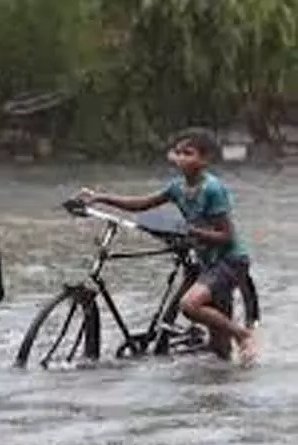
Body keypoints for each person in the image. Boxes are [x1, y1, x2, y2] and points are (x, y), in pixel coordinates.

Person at [77, 127, 256, 363]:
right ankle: (221, 389)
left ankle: (242, 334)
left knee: (190, 305)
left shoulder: (212, 189)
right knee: (219, 350)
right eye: (178, 153)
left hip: (228, 261)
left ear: (204, 160)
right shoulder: (177, 187)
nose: (181, 158)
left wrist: (191, 232)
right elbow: (142, 204)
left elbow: (226, 236)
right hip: (206, 262)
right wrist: (102, 198)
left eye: (189, 153)